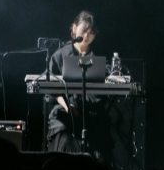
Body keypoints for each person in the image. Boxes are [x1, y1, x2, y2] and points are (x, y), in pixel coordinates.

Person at [45, 11, 113, 158]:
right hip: (65, 112)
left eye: (91, 32)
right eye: (84, 31)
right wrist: (68, 106)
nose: (87, 36)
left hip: (91, 114)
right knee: (66, 141)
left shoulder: (100, 57)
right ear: (74, 28)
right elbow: (52, 90)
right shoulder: (60, 55)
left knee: (97, 150)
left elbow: (105, 89)